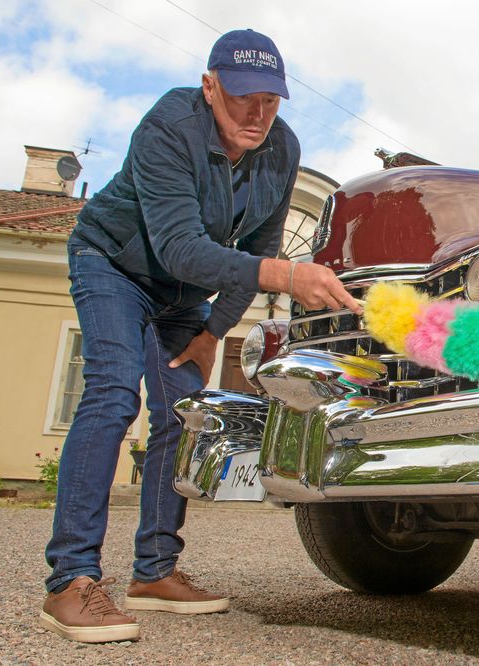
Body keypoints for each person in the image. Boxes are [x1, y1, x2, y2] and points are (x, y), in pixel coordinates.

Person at [40, 28, 360, 643]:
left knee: (184, 413)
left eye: (271, 99)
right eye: (243, 97)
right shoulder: (168, 126)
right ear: (210, 87)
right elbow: (181, 247)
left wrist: (215, 329)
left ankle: (154, 572)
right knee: (113, 392)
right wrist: (288, 276)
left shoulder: (281, 148)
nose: (258, 114)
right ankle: (71, 580)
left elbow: (259, 248)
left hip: (183, 297)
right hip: (115, 266)